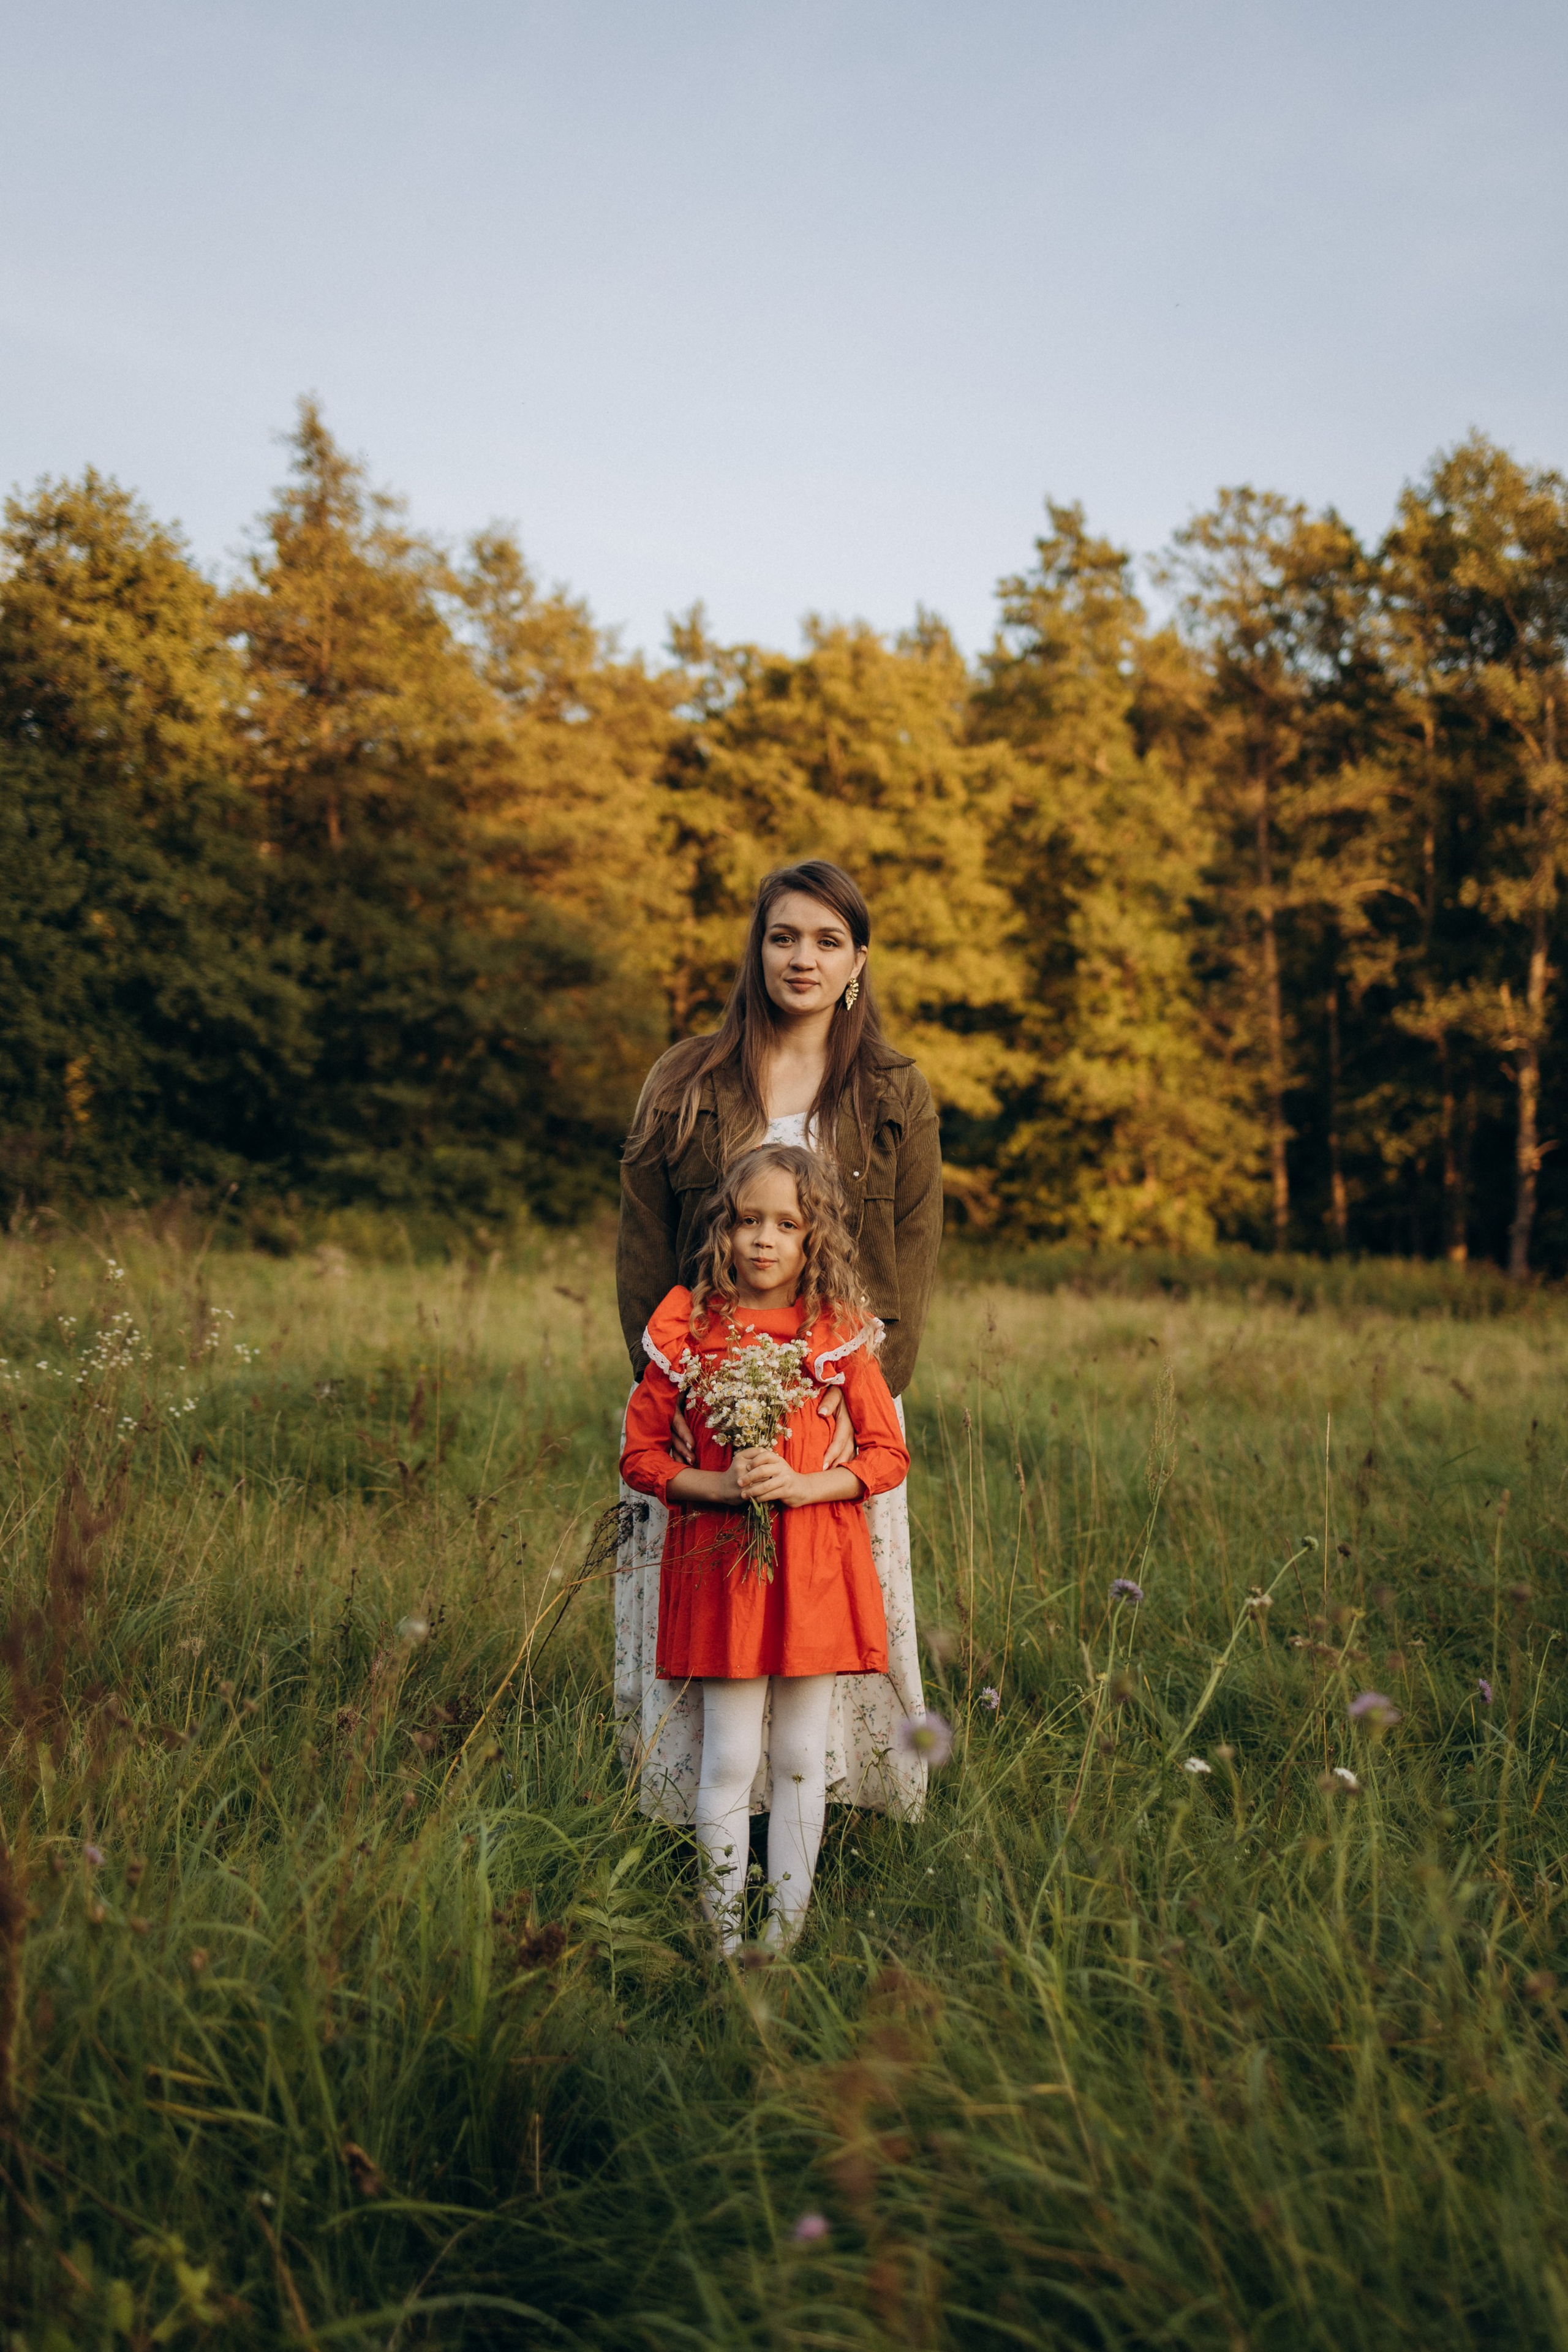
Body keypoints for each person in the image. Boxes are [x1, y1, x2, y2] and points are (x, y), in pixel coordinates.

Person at [614, 857, 941, 1827]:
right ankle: (694, 1826)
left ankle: (825, 1822)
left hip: (840, 1428)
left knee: (818, 1628)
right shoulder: (684, 1080)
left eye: (827, 941)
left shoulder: (895, 1091)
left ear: (858, 963)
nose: (803, 958)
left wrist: (856, 1396)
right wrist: (673, 1401)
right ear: (757, 950)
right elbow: (642, 1252)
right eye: (783, 936)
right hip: (699, 1413)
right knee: (707, 1626)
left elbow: (912, 1262)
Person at [620, 1144, 908, 1949]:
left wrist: (804, 1484)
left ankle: (778, 1945)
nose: (764, 1240)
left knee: (798, 1758)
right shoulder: (691, 1326)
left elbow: (886, 1456)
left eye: (787, 1224)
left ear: (815, 1239)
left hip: (814, 1570)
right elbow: (640, 1456)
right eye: (748, 1221)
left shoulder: (837, 1333)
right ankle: (721, 1943)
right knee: (728, 1759)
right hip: (723, 1574)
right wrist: (715, 1488)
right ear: (723, 1229)